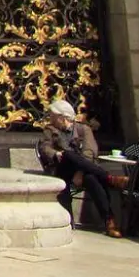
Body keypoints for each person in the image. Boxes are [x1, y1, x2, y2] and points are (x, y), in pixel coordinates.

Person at [37, 98, 127, 237]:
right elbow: (44, 148)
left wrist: (80, 172)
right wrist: (55, 154)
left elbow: (89, 152)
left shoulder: (84, 130)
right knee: (67, 155)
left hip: (84, 171)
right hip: (62, 170)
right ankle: (109, 178)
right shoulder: (50, 131)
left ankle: (109, 221)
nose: (50, 118)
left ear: (62, 117)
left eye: (53, 116)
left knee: (91, 179)